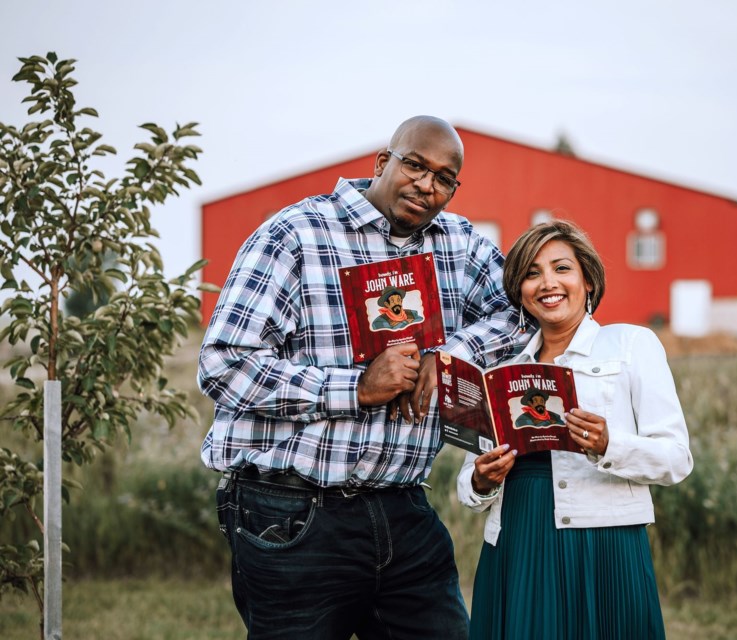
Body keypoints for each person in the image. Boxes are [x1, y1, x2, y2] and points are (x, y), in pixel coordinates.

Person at [198, 115, 525, 640]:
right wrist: (354, 387)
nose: (426, 184)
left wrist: (450, 353)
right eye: (415, 165)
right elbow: (224, 365)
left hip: (405, 508)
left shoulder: (460, 246)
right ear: (382, 162)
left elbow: (523, 311)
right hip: (293, 513)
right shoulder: (295, 235)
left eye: (444, 178)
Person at [457, 220, 693, 640]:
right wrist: (480, 478)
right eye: (531, 273)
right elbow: (467, 486)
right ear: (520, 291)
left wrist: (609, 445)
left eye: (561, 268)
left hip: (605, 544)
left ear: (587, 278)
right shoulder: (502, 371)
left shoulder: (632, 345)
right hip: (518, 539)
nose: (546, 283)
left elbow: (676, 459)